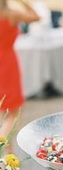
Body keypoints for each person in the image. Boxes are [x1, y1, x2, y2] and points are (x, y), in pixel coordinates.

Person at [0, 0, 40, 137]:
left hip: (5, 60)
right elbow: (36, 17)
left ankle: (8, 154)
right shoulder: (11, 15)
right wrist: (23, 2)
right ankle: (1, 143)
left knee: (5, 110)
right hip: (6, 63)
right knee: (13, 113)